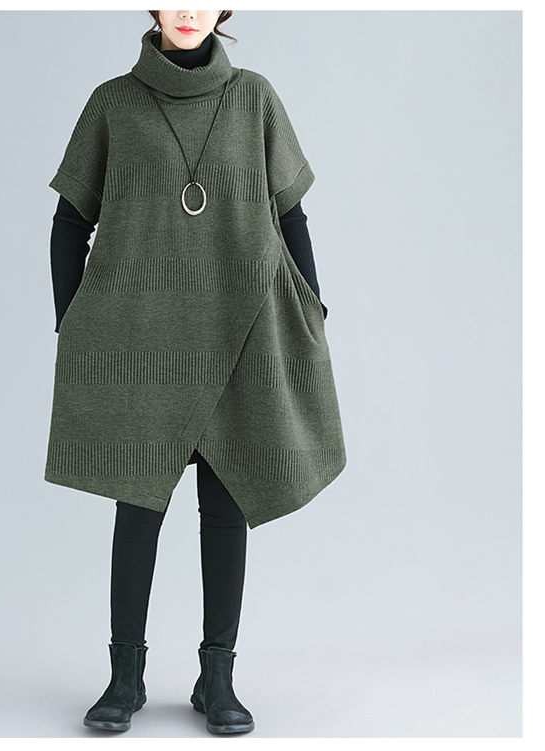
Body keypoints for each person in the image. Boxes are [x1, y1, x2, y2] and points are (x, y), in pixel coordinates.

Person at [44, 9, 346, 735]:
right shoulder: (113, 103)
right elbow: (69, 222)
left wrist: (312, 311)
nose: (187, 10)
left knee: (228, 505)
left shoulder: (255, 98)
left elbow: (292, 218)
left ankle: (218, 679)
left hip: (240, 336)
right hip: (142, 344)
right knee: (137, 507)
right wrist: (73, 324)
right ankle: (124, 677)